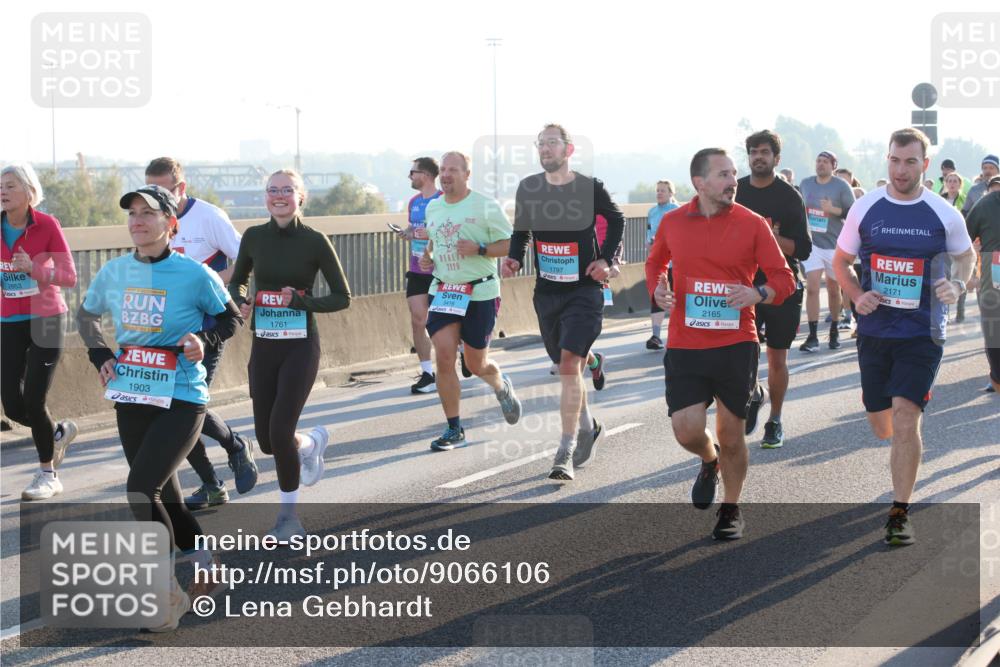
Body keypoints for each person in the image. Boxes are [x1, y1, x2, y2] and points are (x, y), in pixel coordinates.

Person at [77, 184, 242, 631]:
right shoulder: (114, 271)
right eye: (131, 214)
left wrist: (200, 340)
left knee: (139, 488)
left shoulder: (195, 274)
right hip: (132, 393)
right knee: (162, 493)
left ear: (171, 223)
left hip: (182, 395)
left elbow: (231, 317)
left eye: (147, 213)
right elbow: (86, 316)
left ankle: (165, 595)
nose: (137, 221)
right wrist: (101, 355)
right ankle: (205, 562)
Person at [832, 128, 975, 546]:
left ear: (924, 165)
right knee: (883, 423)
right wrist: (857, 295)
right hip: (875, 330)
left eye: (910, 162)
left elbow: (966, 258)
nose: (900, 169)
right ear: (887, 160)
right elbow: (841, 262)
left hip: (922, 332)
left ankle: (899, 511)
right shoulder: (866, 207)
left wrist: (959, 286)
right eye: (895, 160)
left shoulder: (943, 213)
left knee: (907, 414)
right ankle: (898, 450)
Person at [646, 147, 795, 539]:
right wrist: (658, 290)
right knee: (686, 430)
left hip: (736, 343)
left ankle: (731, 508)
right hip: (685, 343)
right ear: (699, 183)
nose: (734, 181)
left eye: (734, 173)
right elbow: (654, 263)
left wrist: (757, 293)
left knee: (732, 436)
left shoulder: (753, 223)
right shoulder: (674, 222)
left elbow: (784, 279)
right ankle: (707, 460)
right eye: (724, 175)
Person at [229, 170, 352, 541]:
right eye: (272, 190)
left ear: (301, 197)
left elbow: (341, 296)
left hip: (301, 346)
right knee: (268, 442)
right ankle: (311, 444)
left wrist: (298, 300)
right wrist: (240, 300)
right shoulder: (253, 236)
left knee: (280, 431)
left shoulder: (315, 241)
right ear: (265, 197)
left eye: (287, 190)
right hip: (264, 345)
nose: (279, 196)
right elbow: (237, 280)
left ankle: (288, 518)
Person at [504, 124, 625, 481]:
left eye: (552, 143)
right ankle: (589, 425)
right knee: (567, 362)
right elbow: (521, 230)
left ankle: (565, 449)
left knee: (569, 366)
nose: (545, 149)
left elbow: (616, 219)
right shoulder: (529, 188)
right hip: (548, 291)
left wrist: (605, 260)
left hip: (584, 289)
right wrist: (515, 257)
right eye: (541, 144)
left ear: (568, 150)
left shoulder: (589, 188)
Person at [143, 157, 258, 510]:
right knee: (171, 407)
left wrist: (215, 284)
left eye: (161, 191)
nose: (153, 199)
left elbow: (248, 258)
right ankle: (211, 483)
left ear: (181, 188)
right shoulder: (150, 222)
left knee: (187, 405)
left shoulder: (208, 217)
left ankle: (235, 446)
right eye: (149, 190)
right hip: (165, 332)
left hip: (207, 326)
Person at [420, 152, 521, 450]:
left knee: (476, 364)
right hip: (444, 291)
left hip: (480, 293)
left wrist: (479, 248)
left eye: (453, 169)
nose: (446, 174)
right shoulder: (434, 206)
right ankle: (454, 428)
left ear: (467, 174)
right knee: (445, 357)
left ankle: (500, 385)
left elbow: (510, 243)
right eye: (443, 170)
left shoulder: (485, 206)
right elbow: (434, 239)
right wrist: (429, 257)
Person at [1, 162, 79, 500]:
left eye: (10, 186)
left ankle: (48, 474)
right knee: (14, 406)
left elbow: (69, 275)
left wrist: (34, 269)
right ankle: (56, 433)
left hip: (47, 318)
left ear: (30, 192)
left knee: (35, 398)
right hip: (8, 320)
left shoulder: (46, 225)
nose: (3, 191)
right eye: (0, 186)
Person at [734, 131, 811, 449]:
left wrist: (767, 236)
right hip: (743, 285)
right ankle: (754, 393)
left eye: (764, 152)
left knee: (776, 359)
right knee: (739, 356)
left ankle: (775, 419)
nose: (758, 157)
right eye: (753, 152)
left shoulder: (789, 197)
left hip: (782, 287)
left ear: (776, 159)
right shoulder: (735, 191)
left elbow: (803, 249)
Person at [392, 157, 443, 394]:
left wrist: (429, 233)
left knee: (444, 322)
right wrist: (408, 233)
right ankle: (427, 373)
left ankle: (464, 351)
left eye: (413, 172)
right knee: (417, 320)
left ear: (427, 175)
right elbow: (415, 228)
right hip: (416, 269)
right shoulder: (413, 201)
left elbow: (449, 230)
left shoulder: (443, 200)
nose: (410, 176)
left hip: (441, 271)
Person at [799, 151, 856, 351]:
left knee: (833, 289)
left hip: (834, 244)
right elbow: (799, 207)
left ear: (833, 166)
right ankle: (813, 336)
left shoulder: (841, 186)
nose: (821, 164)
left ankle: (833, 330)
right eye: (818, 161)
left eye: (825, 162)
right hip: (812, 243)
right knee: (813, 287)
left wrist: (833, 210)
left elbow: (852, 213)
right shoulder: (806, 184)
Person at [965, 175, 1000, 393]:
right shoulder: (985, 205)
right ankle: (996, 376)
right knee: (993, 329)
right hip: (991, 277)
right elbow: (963, 237)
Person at [645, 180, 679, 349]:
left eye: (663, 191)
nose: (659, 193)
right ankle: (656, 336)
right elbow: (649, 234)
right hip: (659, 264)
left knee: (677, 299)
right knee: (657, 297)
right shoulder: (652, 212)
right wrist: (650, 243)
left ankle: (678, 334)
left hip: (677, 263)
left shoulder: (678, 211)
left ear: (671, 193)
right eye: (657, 190)